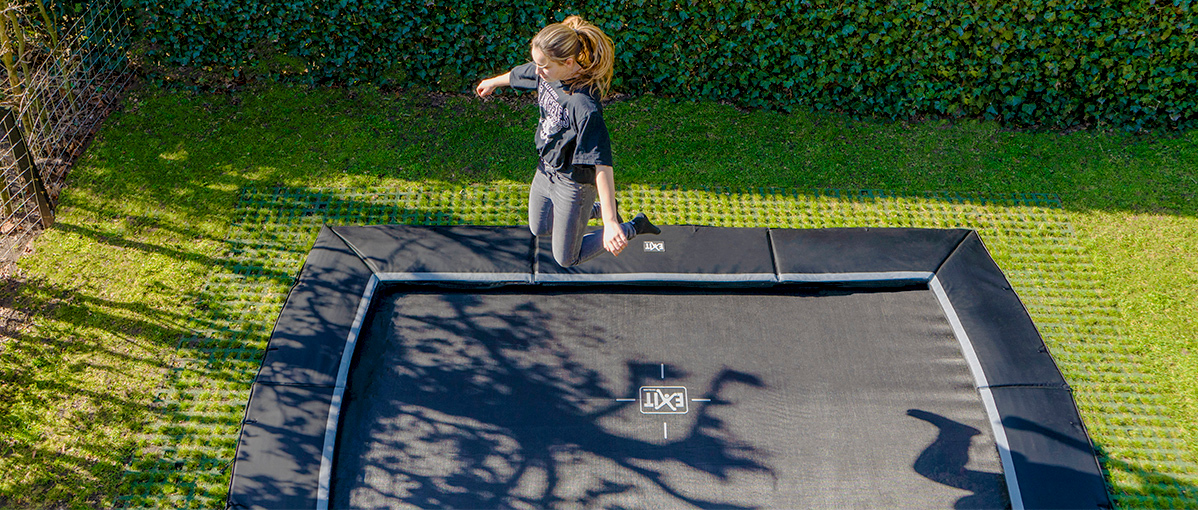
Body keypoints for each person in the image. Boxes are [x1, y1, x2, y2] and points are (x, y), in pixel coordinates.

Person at [475, 15, 660, 267]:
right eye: (536, 63)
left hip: (573, 183)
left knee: (566, 258)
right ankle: (588, 212)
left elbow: (602, 164)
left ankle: (634, 225)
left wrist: (610, 222)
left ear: (568, 62)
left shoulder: (584, 106)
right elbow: (524, 73)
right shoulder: (549, 72)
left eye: (543, 66)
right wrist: (493, 82)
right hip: (546, 169)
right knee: (539, 227)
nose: (538, 71)